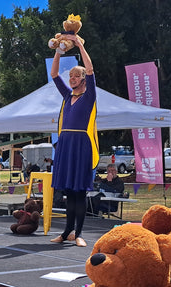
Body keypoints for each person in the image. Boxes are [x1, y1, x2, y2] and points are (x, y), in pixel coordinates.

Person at [49, 34, 97, 248]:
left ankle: (78, 233)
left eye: (76, 77)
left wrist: (79, 44)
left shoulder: (89, 96)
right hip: (66, 144)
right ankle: (67, 231)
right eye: (71, 78)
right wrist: (58, 51)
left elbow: (90, 69)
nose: (72, 80)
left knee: (79, 193)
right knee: (69, 192)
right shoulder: (68, 96)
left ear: (83, 79)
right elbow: (54, 73)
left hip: (81, 145)